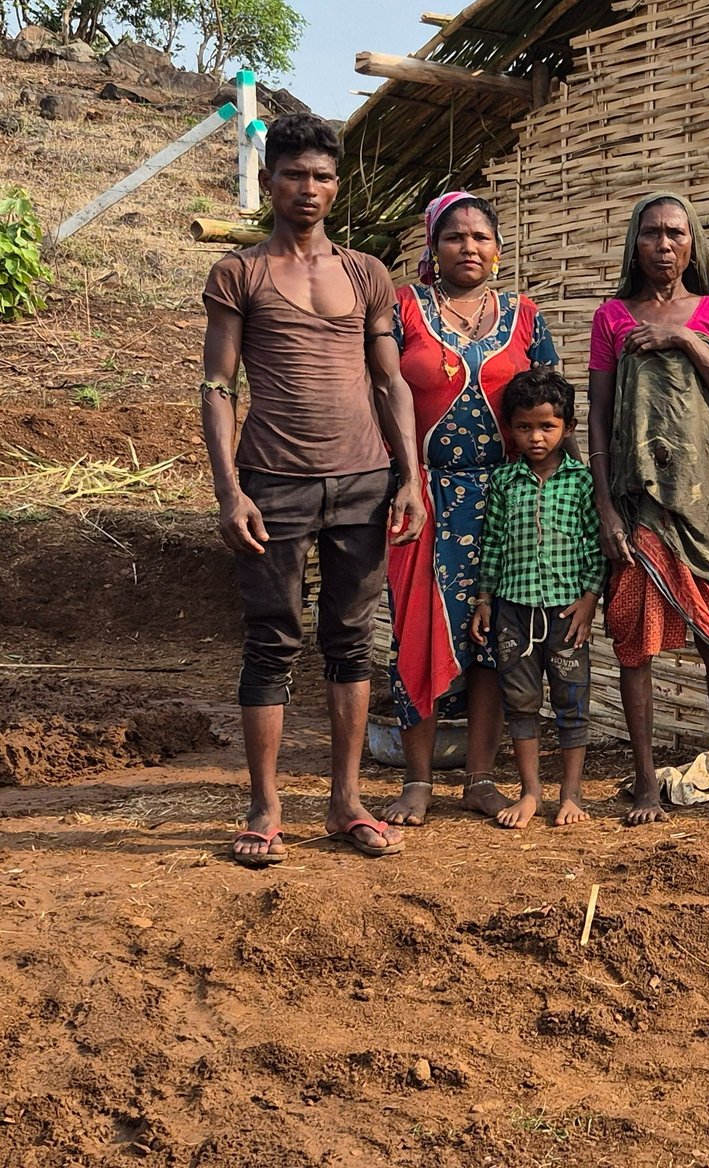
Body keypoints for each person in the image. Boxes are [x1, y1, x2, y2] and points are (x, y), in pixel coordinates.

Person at [201, 112, 426, 866]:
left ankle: (345, 802)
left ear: (338, 185)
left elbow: (391, 383)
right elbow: (218, 385)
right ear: (268, 181)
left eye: (323, 176)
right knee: (271, 640)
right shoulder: (239, 273)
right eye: (294, 174)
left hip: (363, 481)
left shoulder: (367, 274)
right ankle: (265, 808)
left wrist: (409, 478)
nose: (309, 188)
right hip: (273, 482)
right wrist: (229, 491)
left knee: (351, 641)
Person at [382, 191, 559, 828]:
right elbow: (379, 390)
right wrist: (403, 477)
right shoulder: (404, 307)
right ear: (433, 246)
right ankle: (417, 781)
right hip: (424, 496)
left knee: (497, 641)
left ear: (499, 249)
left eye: (481, 237)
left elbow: (551, 404)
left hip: (507, 499)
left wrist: (552, 493)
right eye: (455, 236)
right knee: (416, 632)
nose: (469, 248)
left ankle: (480, 780)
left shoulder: (525, 316)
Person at [588, 191, 709, 826]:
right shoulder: (612, 317)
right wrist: (606, 506)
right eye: (652, 233)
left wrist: (686, 341)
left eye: (676, 234)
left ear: (693, 244)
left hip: (703, 504)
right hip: (638, 505)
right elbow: (598, 418)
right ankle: (644, 784)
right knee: (635, 642)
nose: (664, 245)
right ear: (634, 243)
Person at [470, 367, 605, 828]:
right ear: (510, 428)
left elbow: (595, 545)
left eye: (547, 426)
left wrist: (590, 598)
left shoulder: (582, 482)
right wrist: (484, 598)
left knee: (572, 700)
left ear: (568, 427)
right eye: (524, 427)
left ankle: (571, 793)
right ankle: (531, 792)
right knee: (520, 701)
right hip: (513, 611)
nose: (536, 437)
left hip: (567, 611)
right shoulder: (504, 481)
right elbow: (492, 543)